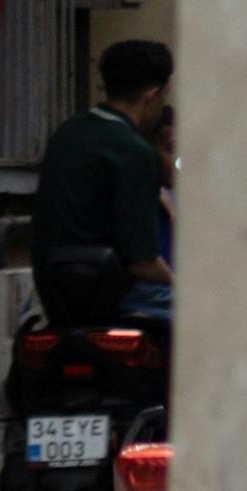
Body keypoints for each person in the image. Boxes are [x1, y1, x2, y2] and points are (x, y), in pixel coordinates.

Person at [29, 38, 175, 336]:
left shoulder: (67, 133)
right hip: (114, 298)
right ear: (154, 95)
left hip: (55, 296)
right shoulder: (134, 150)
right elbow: (142, 262)